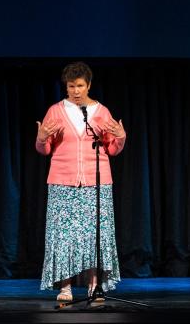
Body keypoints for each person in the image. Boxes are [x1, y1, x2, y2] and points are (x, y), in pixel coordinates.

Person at [35, 61, 126, 302]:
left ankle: (94, 285)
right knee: (63, 236)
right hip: (62, 182)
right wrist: (42, 138)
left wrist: (121, 137)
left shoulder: (101, 111)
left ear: (89, 86)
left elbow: (113, 149)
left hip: (97, 183)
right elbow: (44, 149)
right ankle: (65, 287)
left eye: (80, 86)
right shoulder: (56, 110)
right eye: (70, 86)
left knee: (95, 235)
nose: (75, 91)